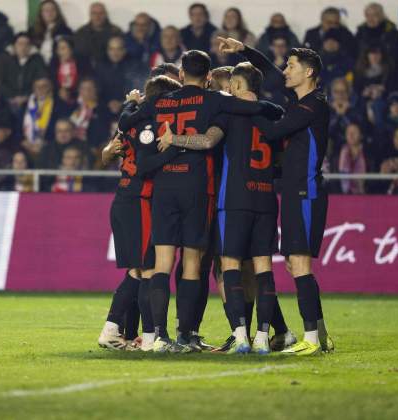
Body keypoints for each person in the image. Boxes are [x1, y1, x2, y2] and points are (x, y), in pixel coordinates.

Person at [118, 49, 282, 353]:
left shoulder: (160, 101)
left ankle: (157, 337)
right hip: (197, 187)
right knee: (193, 264)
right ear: (208, 77)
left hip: (164, 187)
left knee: (162, 264)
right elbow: (263, 109)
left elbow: (126, 121)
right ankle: (186, 335)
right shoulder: (214, 99)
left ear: (181, 74)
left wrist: (131, 104)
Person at [157, 61, 291, 354]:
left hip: (232, 201)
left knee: (227, 267)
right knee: (262, 270)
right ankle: (264, 337)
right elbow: (283, 159)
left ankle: (240, 335)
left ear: (239, 86)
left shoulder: (229, 114)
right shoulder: (275, 113)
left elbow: (206, 141)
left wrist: (173, 139)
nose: (226, 88)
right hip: (267, 199)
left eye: (230, 83)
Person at [218, 36, 335, 355]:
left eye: (292, 66)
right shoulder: (302, 102)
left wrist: (243, 105)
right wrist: (244, 49)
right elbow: (270, 72)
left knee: (299, 264)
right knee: (294, 265)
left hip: (305, 191)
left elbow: (271, 133)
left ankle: (310, 338)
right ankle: (320, 335)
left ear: (308, 72)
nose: (285, 70)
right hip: (295, 192)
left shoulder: (312, 105)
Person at [98, 74, 182, 351]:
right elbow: (144, 164)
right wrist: (174, 149)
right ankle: (149, 339)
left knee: (136, 271)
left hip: (125, 198)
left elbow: (112, 148)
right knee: (148, 270)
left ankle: (111, 330)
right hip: (139, 200)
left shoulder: (130, 122)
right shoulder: (149, 125)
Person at [20, 76, 74, 161]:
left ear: (50, 88)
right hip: (26, 148)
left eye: (44, 86)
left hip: (51, 147)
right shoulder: (24, 106)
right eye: (37, 86)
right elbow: (17, 128)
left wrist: (46, 143)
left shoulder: (60, 105)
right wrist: (23, 141)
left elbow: (63, 127)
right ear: (33, 89)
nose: (40, 89)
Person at [0, 32, 48, 110]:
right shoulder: (4, 59)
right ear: (14, 46)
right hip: (7, 100)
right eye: (20, 44)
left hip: (31, 99)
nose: (23, 47)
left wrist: (26, 97)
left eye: (27, 44)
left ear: (30, 47)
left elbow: (41, 80)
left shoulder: (37, 61)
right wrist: (13, 97)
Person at [95, 35, 148, 116]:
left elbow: (140, 91)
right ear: (107, 51)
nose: (115, 53)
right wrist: (108, 103)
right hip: (104, 109)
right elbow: (97, 91)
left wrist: (122, 103)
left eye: (119, 49)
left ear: (124, 50)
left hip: (129, 109)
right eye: (111, 49)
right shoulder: (100, 67)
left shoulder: (135, 67)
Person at [355, 3, 398, 69]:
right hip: (365, 71)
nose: (370, 18)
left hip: (388, 71)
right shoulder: (360, 33)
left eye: (374, 15)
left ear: (381, 15)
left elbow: (397, 55)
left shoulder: (392, 33)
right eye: (368, 15)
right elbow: (356, 54)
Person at [49, 35, 93, 104]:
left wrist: (71, 94)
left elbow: (88, 81)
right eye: (58, 49)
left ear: (71, 49)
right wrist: (59, 91)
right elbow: (51, 83)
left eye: (63, 48)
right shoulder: (54, 63)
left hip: (79, 98)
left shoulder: (83, 62)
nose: (60, 52)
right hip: (58, 99)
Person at [29, 0, 73, 65]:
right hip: (37, 66)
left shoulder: (65, 31)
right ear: (41, 13)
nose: (50, 13)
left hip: (57, 65)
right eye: (46, 10)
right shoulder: (32, 31)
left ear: (57, 12)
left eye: (53, 10)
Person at [338, 122, 367, 194]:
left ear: (360, 135)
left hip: (365, 195)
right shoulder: (338, 154)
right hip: (341, 197)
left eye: (354, 132)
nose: (351, 135)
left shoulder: (368, 153)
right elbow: (334, 179)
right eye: (348, 132)